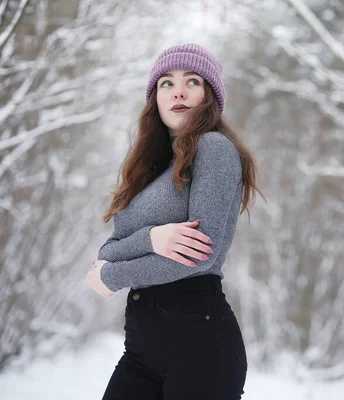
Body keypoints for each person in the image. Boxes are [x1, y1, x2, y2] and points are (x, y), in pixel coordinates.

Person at [86, 43, 264, 400]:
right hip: (141, 347)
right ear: (155, 98)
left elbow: (201, 255)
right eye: (166, 83)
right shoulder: (152, 168)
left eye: (192, 81)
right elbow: (111, 247)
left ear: (209, 95)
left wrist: (113, 276)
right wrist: (152, 238)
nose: (178, 90)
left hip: (199, 344)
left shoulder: (213, 149)